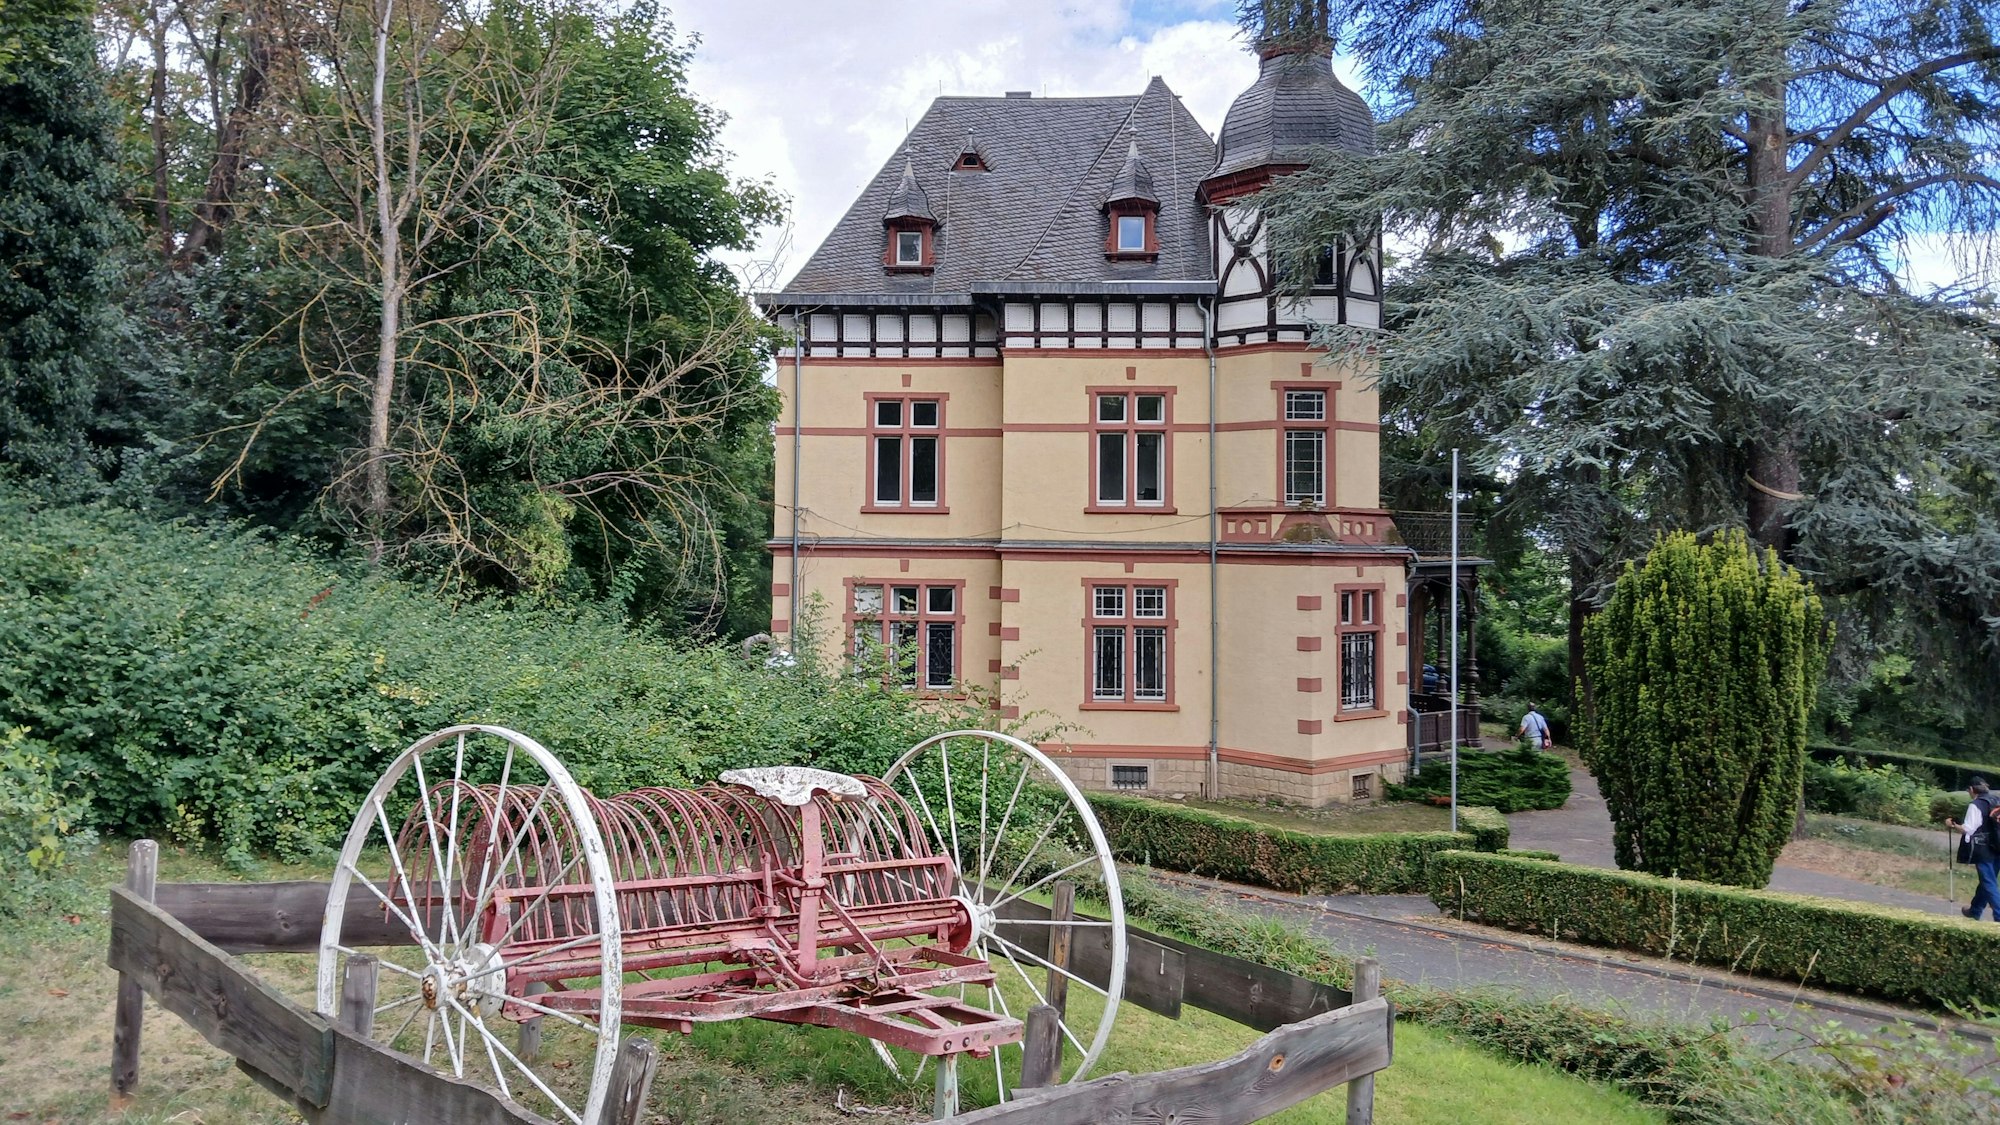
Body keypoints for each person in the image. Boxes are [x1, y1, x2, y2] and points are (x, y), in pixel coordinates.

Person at [1946, 778, 2000, 921]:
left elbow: (1968, 829)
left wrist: (1952, 825)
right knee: (1987, 881)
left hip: (1983, 849)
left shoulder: (1976, 805)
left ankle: (1999, 915)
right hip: (1997, 846)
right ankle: (1975, 910)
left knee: (1989, 883)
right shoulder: (1995, 800)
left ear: (1971, 789)